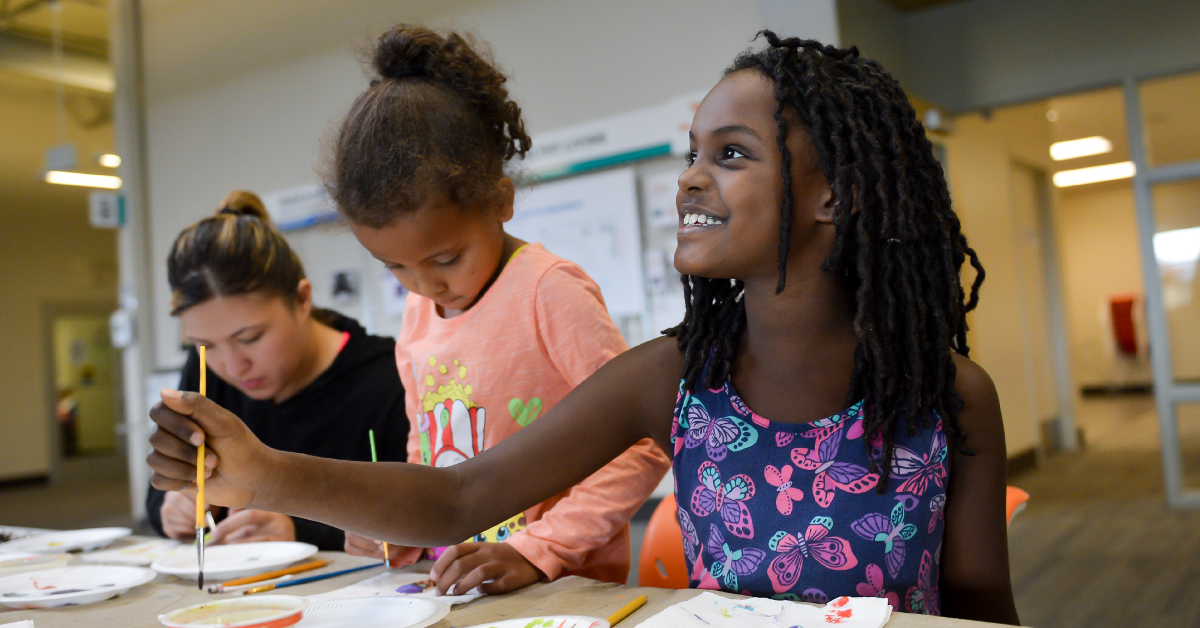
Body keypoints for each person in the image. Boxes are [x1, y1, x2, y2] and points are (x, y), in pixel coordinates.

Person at [145, 33, 1021, 624]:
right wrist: (263, 475)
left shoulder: (950, 398)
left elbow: (983, 611)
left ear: (840, 192)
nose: (690, 180)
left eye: (731, 154)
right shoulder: (674, 379)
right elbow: (459, 497)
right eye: (691, 153)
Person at [145, 191, 408, 552]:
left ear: (302, 300)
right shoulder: (206, 371)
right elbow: (160, 490)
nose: (234, 367)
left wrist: (297, 531)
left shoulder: (387, 377)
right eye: (205, 345)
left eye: (250, 338)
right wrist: (172, 506)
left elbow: (417, 516)